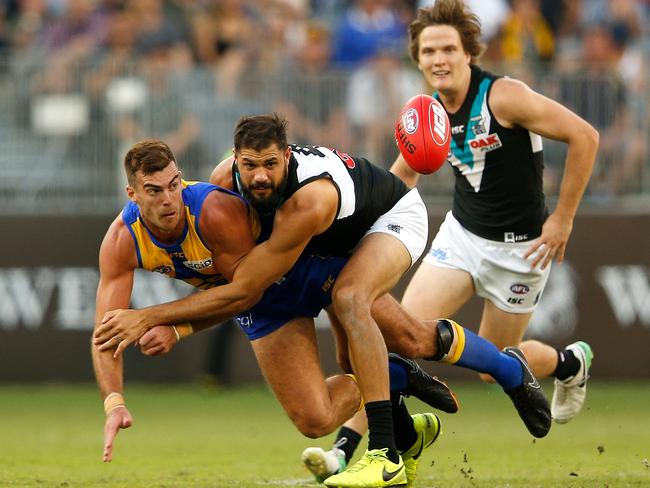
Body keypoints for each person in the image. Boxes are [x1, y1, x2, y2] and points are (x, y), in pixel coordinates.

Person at [94, 115, 551, 486]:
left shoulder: (229, 208)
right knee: (315, 417)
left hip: (362, 231)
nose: (170, 199)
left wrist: (162, 319)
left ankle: (412, 436)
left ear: (286, 157)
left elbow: (243, 289)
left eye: (174, 184)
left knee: (388, 322)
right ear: (132, 195)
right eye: (154, 191)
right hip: (280, 271)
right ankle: (396, 390)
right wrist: (114, 400)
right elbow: (109, 330)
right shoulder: (130, 236)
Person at [302, 0, 599, 481]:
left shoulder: (504, 96)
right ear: (417, 60)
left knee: (496, 365)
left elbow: (585, 136)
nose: (438, 59)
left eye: (447, 49)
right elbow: (401, 179)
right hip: (461, 237)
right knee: (398, 337)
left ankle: (569, 361)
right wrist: (353, 227)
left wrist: (562, 219)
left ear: (468, 53)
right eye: (428, 51)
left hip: (521, 250)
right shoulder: (430, 112)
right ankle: (345, 448)